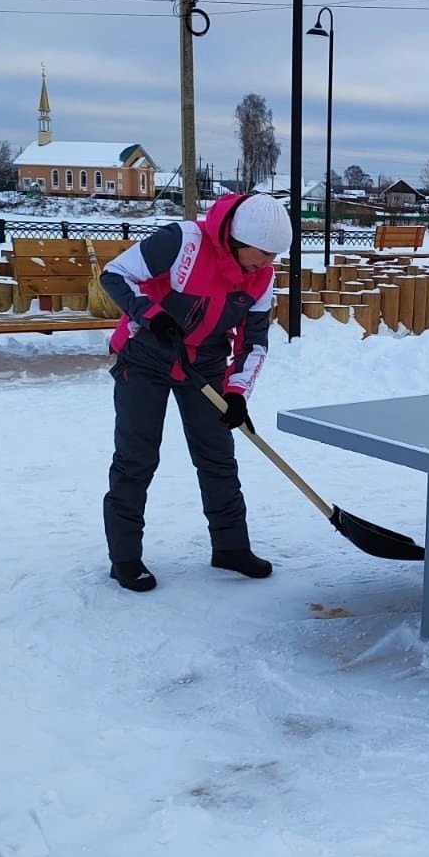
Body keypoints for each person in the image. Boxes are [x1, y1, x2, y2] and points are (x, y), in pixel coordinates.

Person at [99, 191, 292, 593]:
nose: (268, 263)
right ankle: (125, 559)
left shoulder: (262, 278)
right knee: (137, 458)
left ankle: (231, 547)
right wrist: (153, 318)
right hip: (145, 356)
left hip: (203, 365)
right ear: (239, 239)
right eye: (263, 253)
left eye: (274, 256)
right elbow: (115, 275)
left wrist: (237, 392)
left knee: (218, 458)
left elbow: (253, 342)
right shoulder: (182, 241)